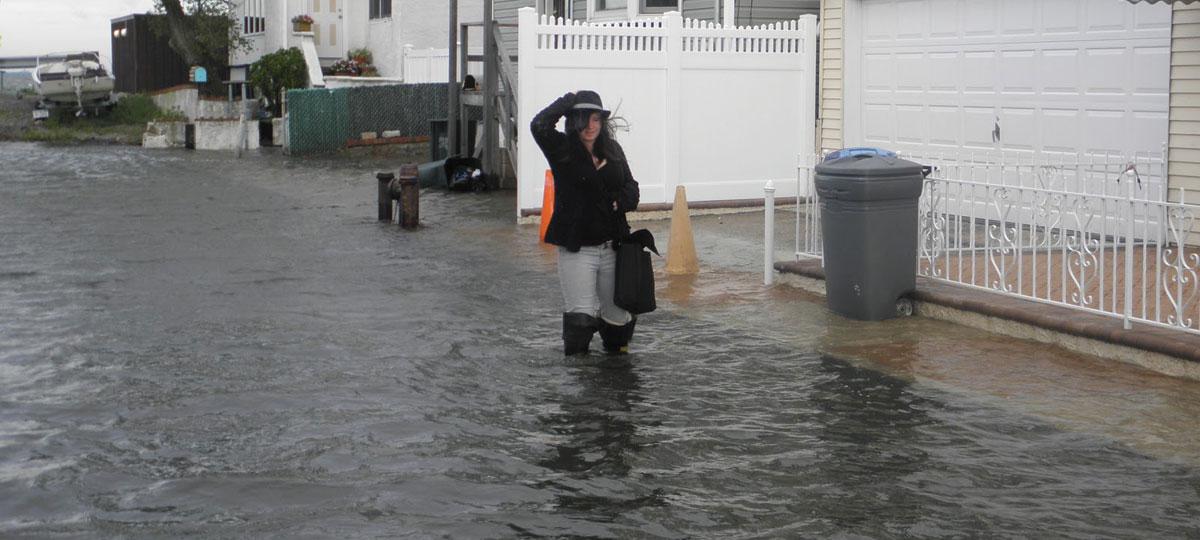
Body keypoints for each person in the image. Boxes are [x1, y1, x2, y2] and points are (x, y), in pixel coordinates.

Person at [531, 90, 640, 356]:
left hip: (614, 247)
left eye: (595, 119)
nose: (590, 126)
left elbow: (632, 189)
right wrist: (569, 100)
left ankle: (616, 378)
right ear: (573, 121)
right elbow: (539, 125)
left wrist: (618, 202)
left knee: (618, 320)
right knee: (580, 320)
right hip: (578, 248)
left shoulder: (613, 150)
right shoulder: (562, 150)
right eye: (583, 119)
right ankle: (579, 382)